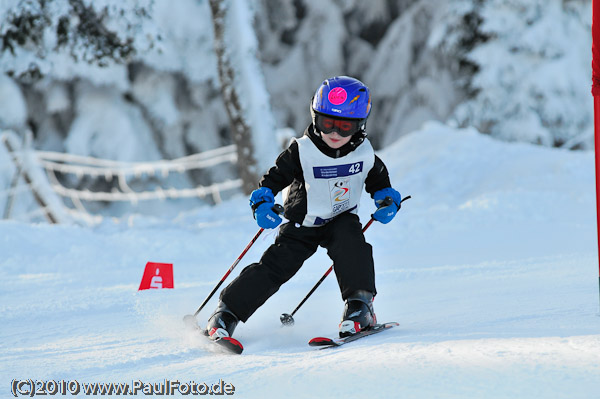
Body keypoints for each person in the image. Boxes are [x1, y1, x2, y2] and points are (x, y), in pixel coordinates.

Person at [206, 76, 402, 340]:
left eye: (345, 126)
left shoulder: (364, 154)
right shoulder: (302, 151)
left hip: (342, 219)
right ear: (314, 117)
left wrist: (387, 200)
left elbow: (379, 182)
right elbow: (271, 180)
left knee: (353, 248)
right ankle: (226, 313)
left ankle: (360, 307)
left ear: (360, 125)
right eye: (327, 123)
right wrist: (263, 202)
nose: (335, 133)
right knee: (275, 268)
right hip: (302, 224)